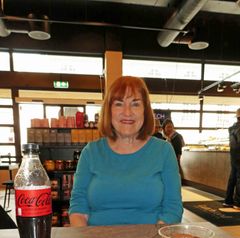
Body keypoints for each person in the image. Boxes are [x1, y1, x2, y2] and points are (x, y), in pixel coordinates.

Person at [69, 76, 183, 227]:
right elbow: (78, 206)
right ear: (109, 110)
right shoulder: (90, 153)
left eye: (135, 104)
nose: (127, 112)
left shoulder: (163, 151)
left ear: (145, 110)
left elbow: (173, 208)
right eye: (119, 104)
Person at [223, 107, 240, 209]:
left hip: (234, 156)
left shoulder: (232, 127)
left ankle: (228, 200)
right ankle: (238, 202)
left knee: (233, 179)